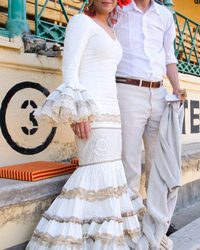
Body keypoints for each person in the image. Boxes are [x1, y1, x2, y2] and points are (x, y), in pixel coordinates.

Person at [26, 0, 145, 248]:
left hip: (113, 112)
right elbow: (70, 68)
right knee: (95, 172)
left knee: (112, 171)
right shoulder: (81, 22)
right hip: (92, 111)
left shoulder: (112, 30)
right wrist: (78, 113)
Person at [114, 0, 185, 234]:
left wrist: (176, 87)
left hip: (159, 93)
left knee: (158, 159)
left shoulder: (164, 15)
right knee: (129, 158)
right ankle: (131, 218)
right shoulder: (117, 8)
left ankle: (158, 218)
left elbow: (168, 56)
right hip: (127, 89)